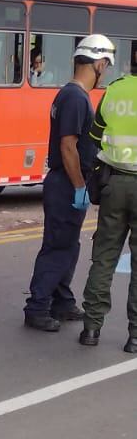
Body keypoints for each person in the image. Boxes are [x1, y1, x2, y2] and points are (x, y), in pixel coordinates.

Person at [23, 35, 115, 332]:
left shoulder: (69, 94)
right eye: (106, 66)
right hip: (66, 182)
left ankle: (61, 301)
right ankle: (37, 307)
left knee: (68, 245)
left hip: (66, 181)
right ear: (99, 64)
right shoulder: (76, 98)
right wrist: (78, 186)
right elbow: (68, 147)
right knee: (58, 247)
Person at [79, 62, 137, 354]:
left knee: (104, 258)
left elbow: (94, 137)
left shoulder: (114, 91)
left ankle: (91, 327)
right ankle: (135, 337)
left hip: (114, 184)